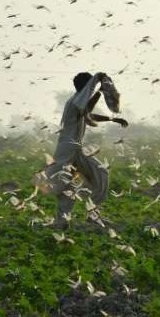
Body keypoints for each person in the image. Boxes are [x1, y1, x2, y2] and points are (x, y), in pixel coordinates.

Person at [37, 72, 128, 229]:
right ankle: (64, 222)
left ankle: (89, 217)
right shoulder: (75, 102)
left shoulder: (77, 101)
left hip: (74, 149)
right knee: (67, 186)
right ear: (87, 87)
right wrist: (100, 92)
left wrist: (111, 118)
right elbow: (87, 109)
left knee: (97, 175)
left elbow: (88, 114)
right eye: (90, 88)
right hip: (68, 151)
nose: (91, 91)